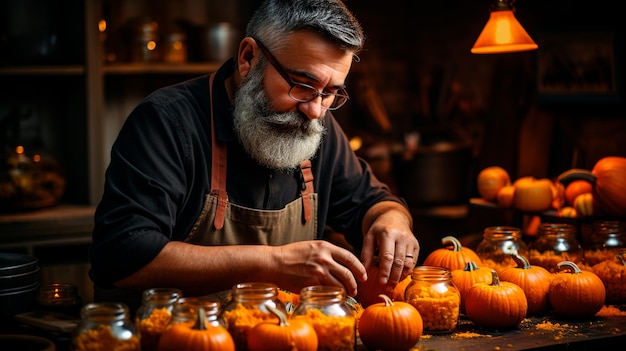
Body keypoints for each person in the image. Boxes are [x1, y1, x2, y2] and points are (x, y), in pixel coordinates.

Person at [89, 0, 419, 312]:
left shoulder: (314, 123)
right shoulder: (167, 121)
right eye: (302, 85)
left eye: (331, 92)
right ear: (248, 58)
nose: (316, 110)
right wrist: (272, 263)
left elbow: (372, 201)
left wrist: (392, 220)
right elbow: (123, 255)